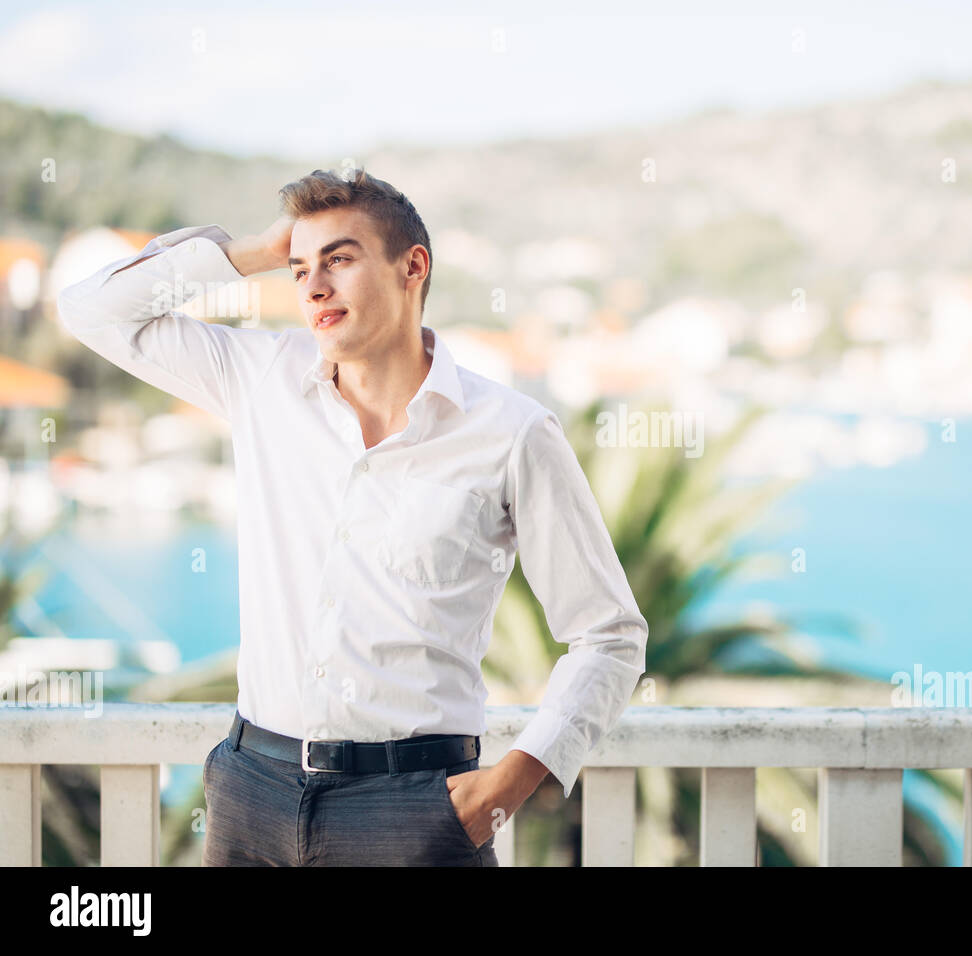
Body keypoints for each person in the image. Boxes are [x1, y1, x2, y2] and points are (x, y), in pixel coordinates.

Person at [56, 167, 650, 866]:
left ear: (412, 268)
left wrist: (507, 788)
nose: (311, 286)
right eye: (300, 267)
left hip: (418, 811)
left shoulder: (512, 432)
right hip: (252, 791)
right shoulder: (259, 380)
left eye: (338, 259)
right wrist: (253, 252)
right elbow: (92, 310)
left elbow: (609, 635)